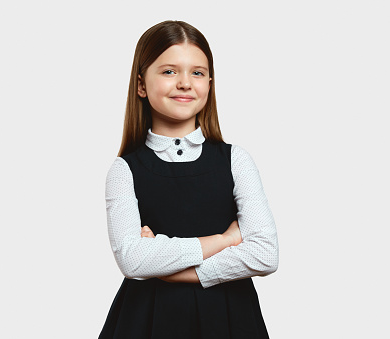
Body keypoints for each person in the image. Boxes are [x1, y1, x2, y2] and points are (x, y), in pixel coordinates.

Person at [99, 20, 279, 339]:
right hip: (147, 322)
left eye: (197, 72)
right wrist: (224, 240)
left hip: (231, 320)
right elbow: (132, 259)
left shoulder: (236, 159)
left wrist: (178, 272)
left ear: (209, 83)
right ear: (141, 84)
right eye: (169, 71)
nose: (185, 83)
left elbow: (265, 254)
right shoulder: (124, 169)